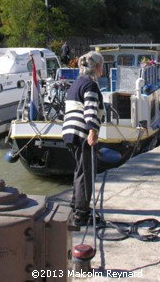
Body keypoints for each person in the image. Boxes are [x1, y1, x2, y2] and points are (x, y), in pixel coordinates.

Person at [62, 51, 104, 226]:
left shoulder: (76, 84)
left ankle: (76, 205)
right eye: (102, 66)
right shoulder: (91, 85)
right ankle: (81, 214)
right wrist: (92, 130)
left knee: (79, 171)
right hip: (82, 133)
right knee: (86, 173)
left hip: (69, 132)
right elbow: (91, 108)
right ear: (97, 67)